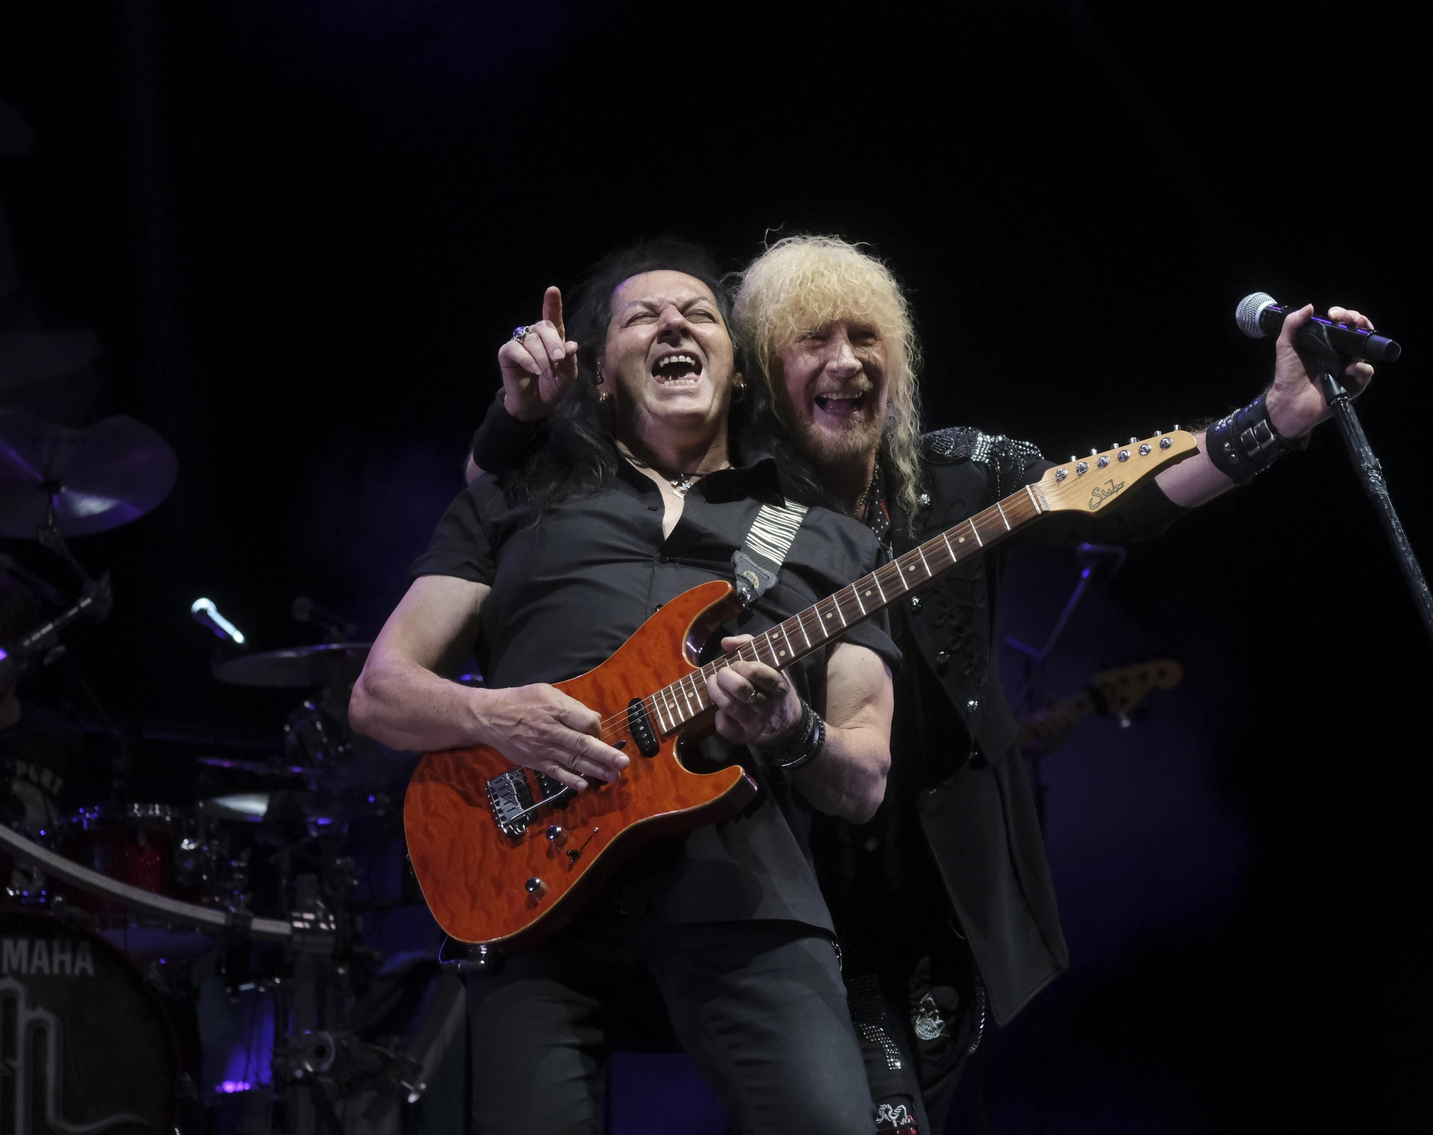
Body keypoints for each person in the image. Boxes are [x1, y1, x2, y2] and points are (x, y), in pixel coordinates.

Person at [467, 235, 1378, 1134]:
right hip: (783, 895)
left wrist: (1275, 420)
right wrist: (519, 415)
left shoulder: (961, 473)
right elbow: (499, 511)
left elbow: (1122, 496)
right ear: (760, 373)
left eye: (867, 339)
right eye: (813, 342)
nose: (846, 362)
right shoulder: (718, 497)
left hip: (930, 885)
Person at [350, 239, 903, 1135]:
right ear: (601, 378)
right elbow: (379, 692)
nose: (675, 322)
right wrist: (497, 713)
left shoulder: (831, 540)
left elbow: (865, 775)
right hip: (531, 884)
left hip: (744, 893)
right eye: (642, 316)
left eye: (700, 314)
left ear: (737, 369)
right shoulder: (513, 501)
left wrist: (792, 726)